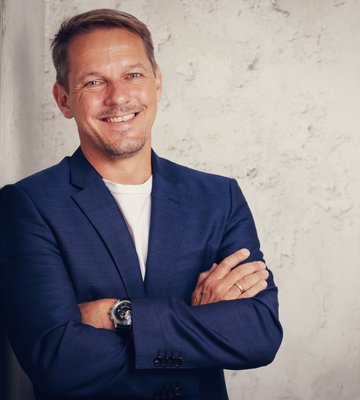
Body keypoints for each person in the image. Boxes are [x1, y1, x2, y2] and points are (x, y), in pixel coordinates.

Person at [0, 8, 282, 400]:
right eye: (94, 82)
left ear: (157, 83)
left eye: (133, 75)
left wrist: (117, 314)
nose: (118, 97)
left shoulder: (218, 197)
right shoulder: (28, 205)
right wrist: (198, 320)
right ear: (64, 100)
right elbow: (58, 361)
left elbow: (258, 335)